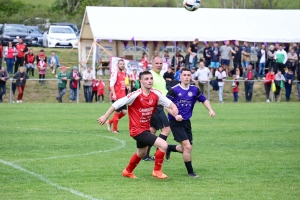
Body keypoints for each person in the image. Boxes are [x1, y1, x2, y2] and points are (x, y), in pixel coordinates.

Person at [97, 71, 179, 179]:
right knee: (163, 145)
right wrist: (105, 116)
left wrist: (175, 109)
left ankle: (127, 171)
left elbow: (168, 102)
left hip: (145, 129)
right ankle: (157, 171)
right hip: (137, 130)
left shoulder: (156, 94)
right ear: (141, 81)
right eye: (146, 79)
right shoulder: (135, 95)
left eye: (151, 78)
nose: (149, 81)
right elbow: (117, 103)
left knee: (141, 153)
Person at [165, 68, 216, 178]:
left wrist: (210, 110)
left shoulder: (194, 89)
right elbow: (165, 105)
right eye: (185, 75)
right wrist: (175, 115)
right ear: (181, 77)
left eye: (189, 75)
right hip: (175, 122)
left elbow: (204, 100)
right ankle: (191, 172)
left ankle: (169, 148)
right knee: (187, 147)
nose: (187, 77)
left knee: (186, 148)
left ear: (191, 77)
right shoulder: (174, 90)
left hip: (186, 122)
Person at [143, 56, 171, 161]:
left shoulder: (160, 76)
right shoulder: (150, 75)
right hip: (155, 106)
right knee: (166, 129)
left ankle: (145, 155)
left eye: (160, 63)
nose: (159, 65)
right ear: (152, 64)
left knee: (152, 131)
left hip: (158, 105)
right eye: (157, 63)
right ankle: (158, 154)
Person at [105, 60, 127, 133]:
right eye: (121, 64)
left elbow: (122, 83)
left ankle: (109, 122)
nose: (122, 65)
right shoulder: (115, 73)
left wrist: (127, 86)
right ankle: (114, 130)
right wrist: (114, 94)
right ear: (118, 65)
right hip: (117, 96)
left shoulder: (123, 73)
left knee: (124, 112)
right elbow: (111, 84)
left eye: (123, 64)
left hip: (123, 96)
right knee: (117, 112)